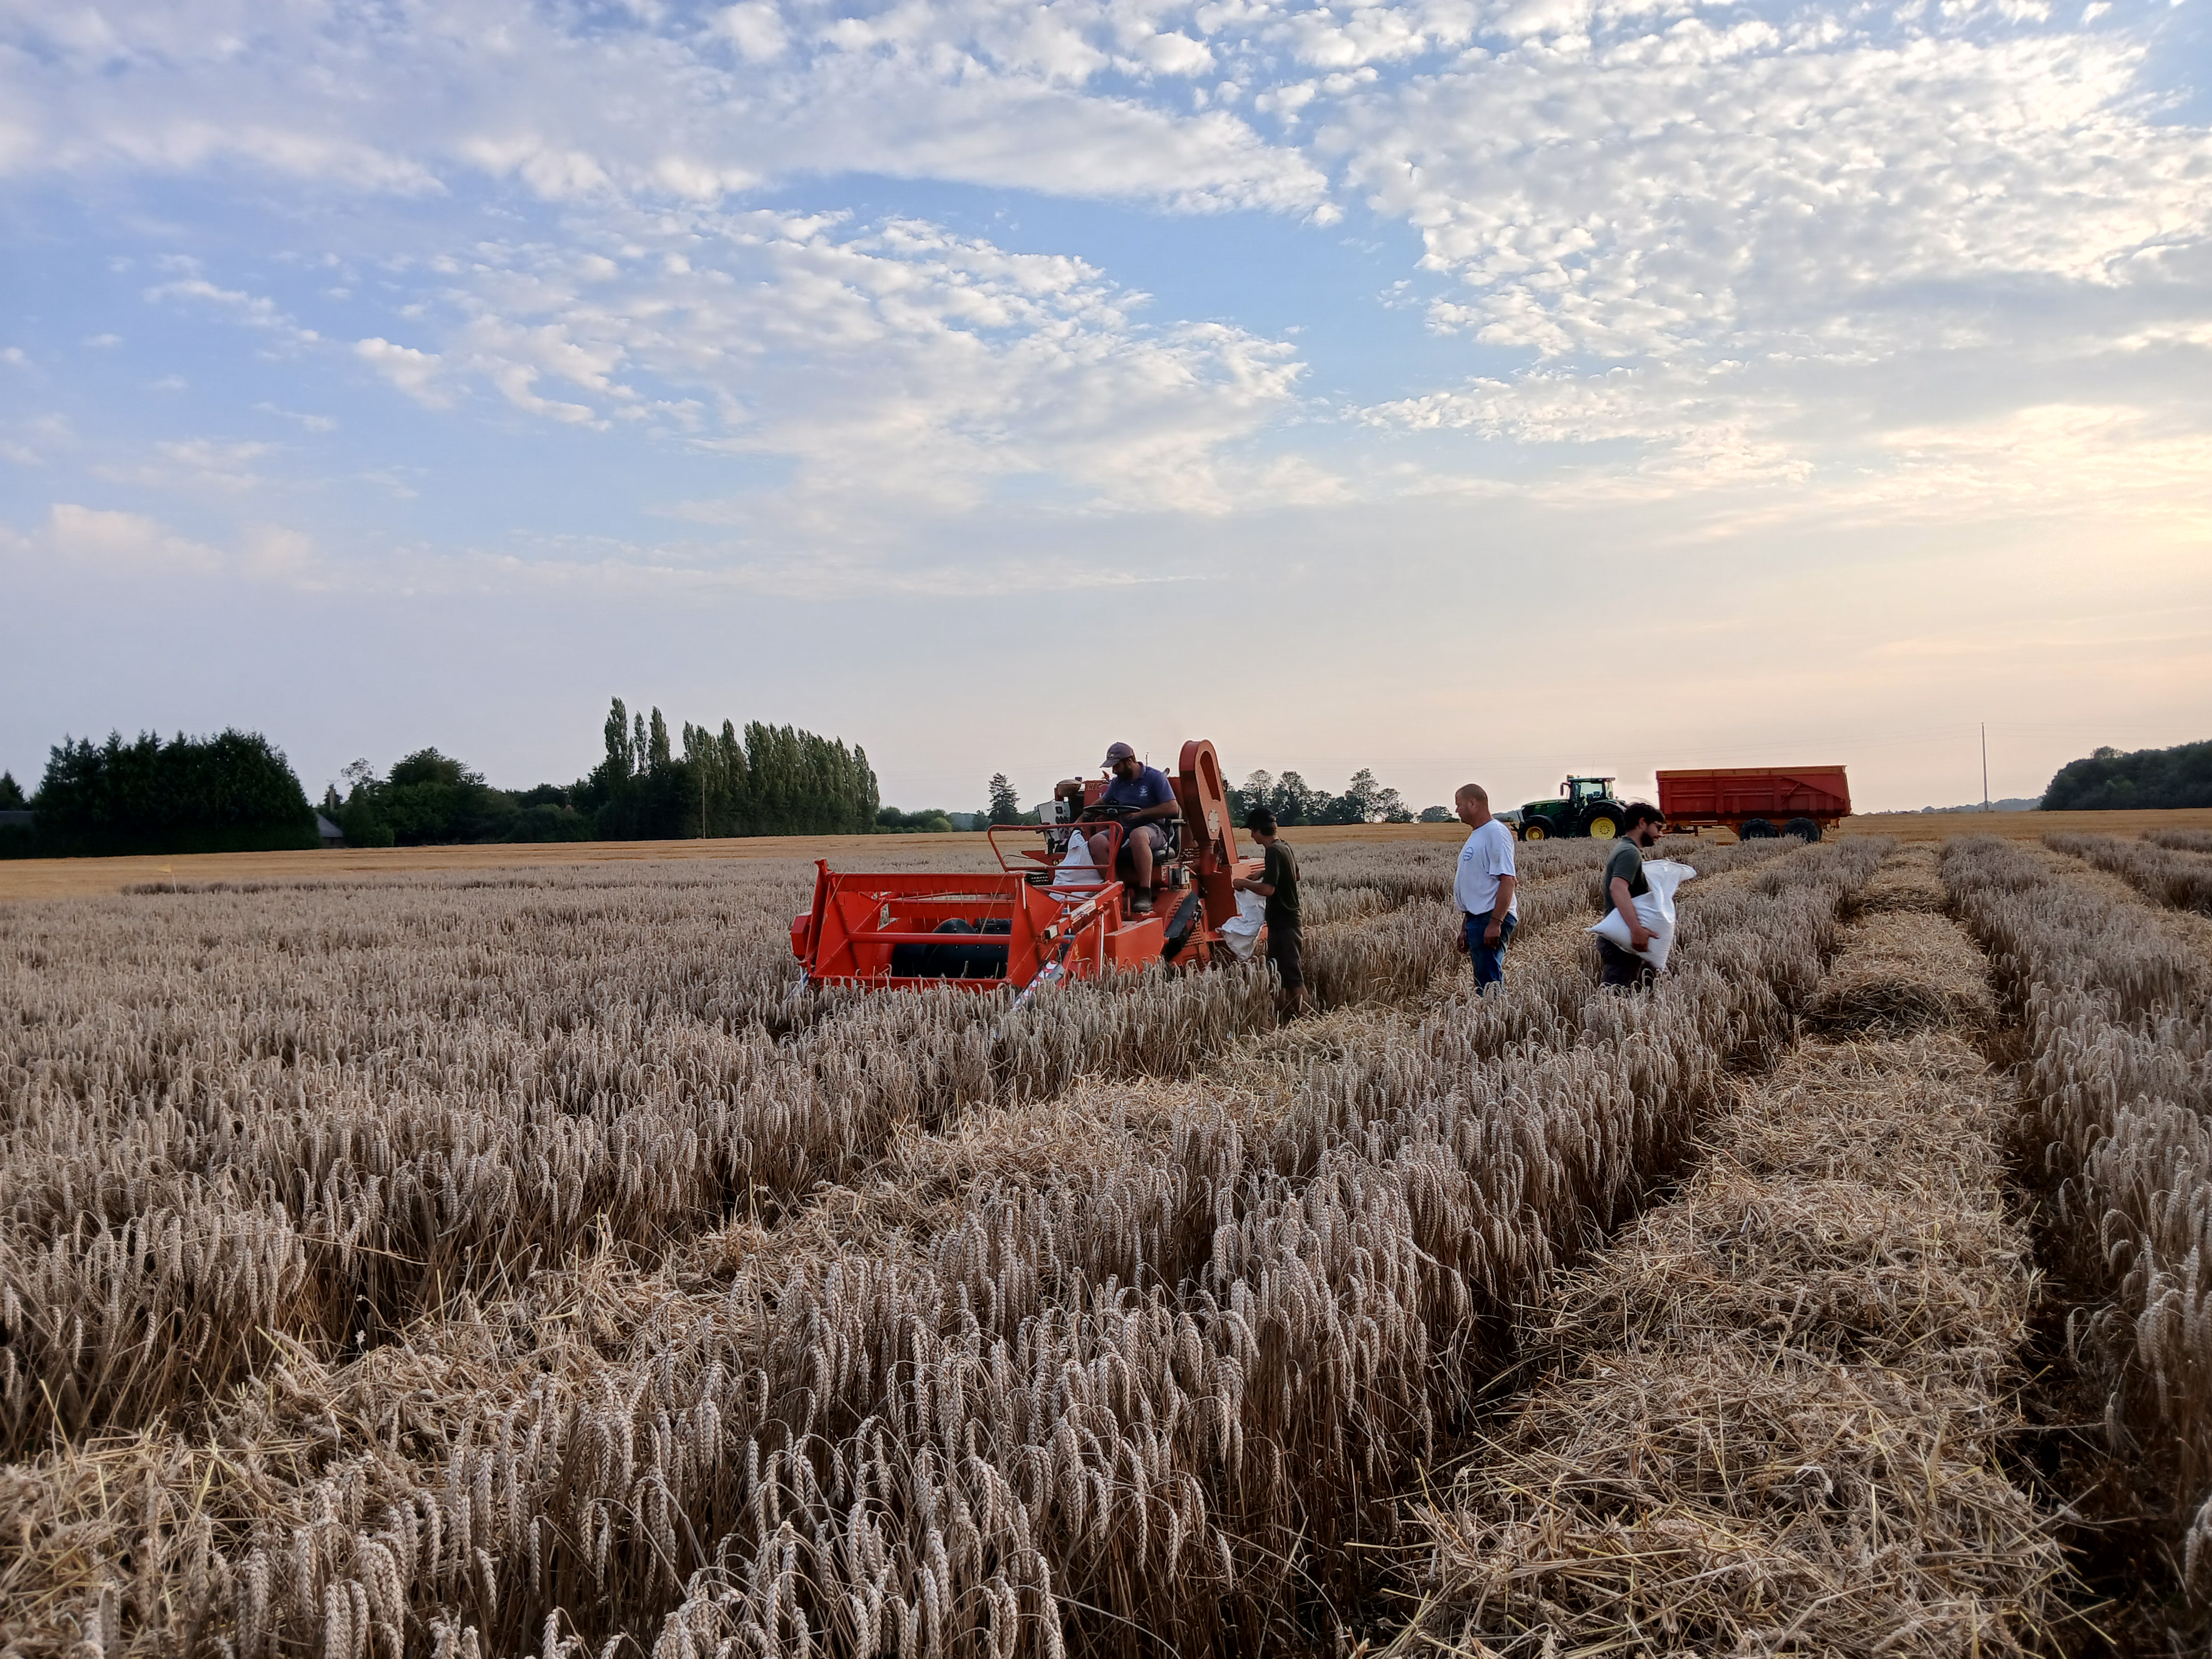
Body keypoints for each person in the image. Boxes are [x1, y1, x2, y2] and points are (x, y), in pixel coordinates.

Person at [1085, 742, 1179, 914]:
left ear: (1130, 762)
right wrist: (1083, 817)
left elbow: (1173, 808)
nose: (1114, 771)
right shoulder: (1117, 783)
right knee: (1096, 841)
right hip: (1126, 828)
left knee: (1138, 835)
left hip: (1156, 828)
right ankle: (1116, 890)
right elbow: (1102, 802)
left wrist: (1141, 814)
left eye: (1116, 766)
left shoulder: (1155, 778)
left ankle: (1145, 894)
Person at [1233, 806, 1306, 1016]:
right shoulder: (1283, 846)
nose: (1251, 835)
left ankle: (1308, 1021)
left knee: (1293, 977)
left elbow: (1268, 890)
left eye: (1251, 831)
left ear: (1257, 830)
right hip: (1283, 922)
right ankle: (1279, 1018)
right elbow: (1297, 875)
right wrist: (1263, 873)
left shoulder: (1273, 851)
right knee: (1277, 975)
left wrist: (1243, 883)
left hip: (1285, 923)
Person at [1452, 783, 1519, 991]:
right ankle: (1492, 1017)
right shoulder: (1478, 834)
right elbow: (1478, 886)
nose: (1456, 810)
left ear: (1473, 803)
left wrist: (1495, 923)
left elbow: (1508, 880)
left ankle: (1497, 1020)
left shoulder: (1495, 833)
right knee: (1485, 981)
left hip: (1488, 917)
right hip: (1478, 918)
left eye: (1459, 805)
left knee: (1489, 985)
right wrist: (1465, 926)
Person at [1600, 803, 1666, 990]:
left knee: (1629, 1002)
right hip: (1622, 940)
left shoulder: (1626, 849)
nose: (1660, 834)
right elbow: (1618, 888)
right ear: (1642, 823)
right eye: (1658, 827)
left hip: (1624, 937)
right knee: (1615, 1005)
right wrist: (1636, 930)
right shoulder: (1630, 853)